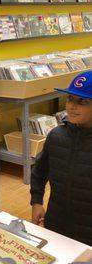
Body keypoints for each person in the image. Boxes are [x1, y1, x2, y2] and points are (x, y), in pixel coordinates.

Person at [30, 70, 92, 245]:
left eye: (82, 101)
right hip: (56, 224)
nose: (72, 106)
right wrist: (36, 201)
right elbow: (39, 171)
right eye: (70, 99)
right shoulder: (56, 135)